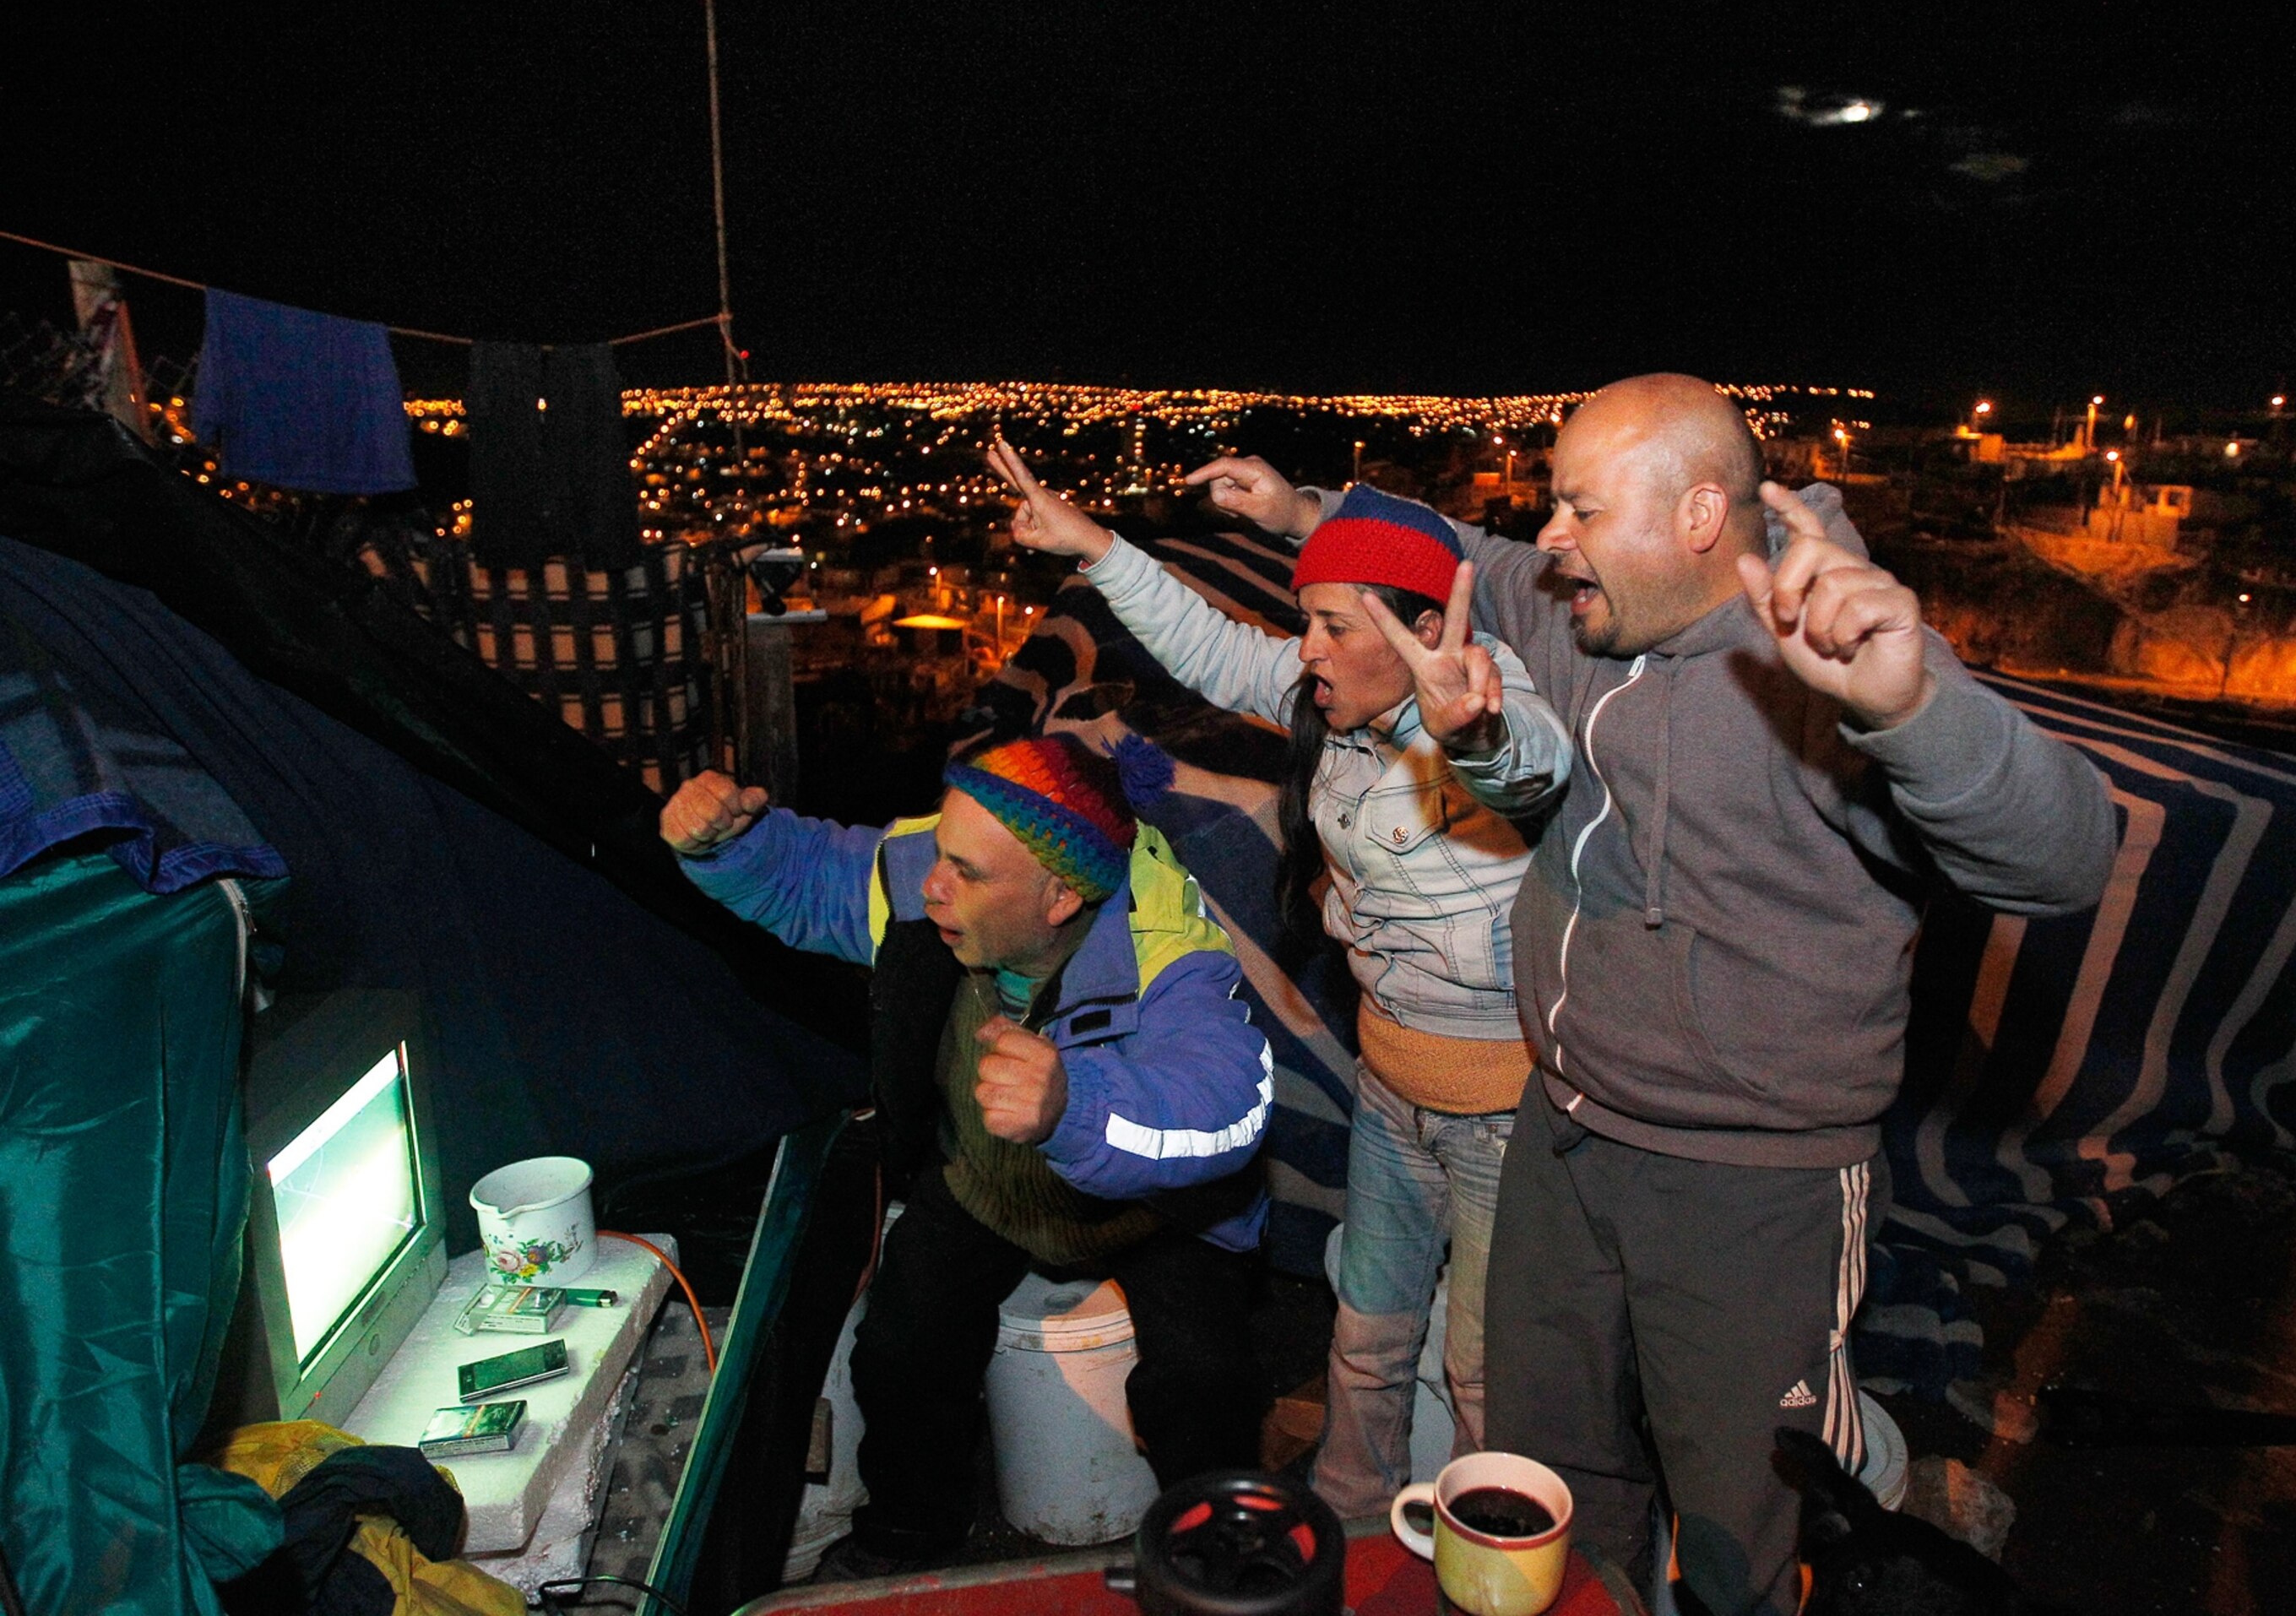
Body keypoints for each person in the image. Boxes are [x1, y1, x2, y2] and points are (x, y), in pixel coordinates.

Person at [1185, 376, 2117, 1615]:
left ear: (1698, 515)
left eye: (1579, 506)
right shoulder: (1586, 620)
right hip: (1564, 1139)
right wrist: (1311, 514)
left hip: (1751, 1183)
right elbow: (1471, 560)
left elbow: (2063, 860)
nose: (1550, 534)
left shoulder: (1828, 665)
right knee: (1551, 1476)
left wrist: (1915, 711)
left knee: (1739, 1514)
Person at [984, 437, 1571, 1519]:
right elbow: (1211, 648)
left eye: (1334, 626)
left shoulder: (1488, 705)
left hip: (1500, 1117)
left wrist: (1474, 729)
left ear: (1427, 630)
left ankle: (1488, 1558)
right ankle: (1350, 1533)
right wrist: (1097, 547)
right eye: (1308, 622)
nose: (1306, 650)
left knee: (1489, 1373)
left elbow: (1534, 760)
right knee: (1366, 1333)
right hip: (1392, 1096)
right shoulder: (1328, 706)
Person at [659, 734, 1275, 1568]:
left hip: (1148, 1206)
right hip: (987, 1178)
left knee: (1203, 1379)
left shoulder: (1168, 956)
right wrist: (726, 841)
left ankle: (1221, 1557)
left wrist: (1076, 1105)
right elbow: (813, 878)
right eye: (940, 855)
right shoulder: (924, 883)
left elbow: (1228, 1108)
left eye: (970, 872)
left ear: (1059, 897)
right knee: (902, 1347)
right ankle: (909, 1535)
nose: (934, 884)